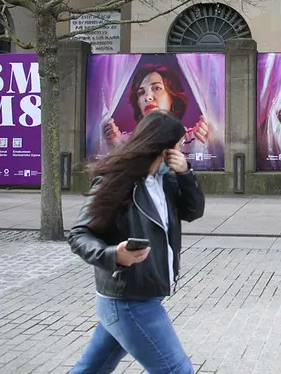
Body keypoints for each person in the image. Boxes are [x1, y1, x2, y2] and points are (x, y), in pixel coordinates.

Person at [68, 110, 205, 374]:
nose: (181, 152)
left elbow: (193, 211)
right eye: (178, 146)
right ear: (163, 149)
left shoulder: (164, 181)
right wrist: (113, 255)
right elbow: (78, 234)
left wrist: (186, 173)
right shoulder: (116, 181)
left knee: (92, 369)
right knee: (178, 370)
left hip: (139, 297)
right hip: (129, 300)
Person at [104, 64, 212, 147]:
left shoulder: (194, 137)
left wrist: (209, 139)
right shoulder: (125, 142)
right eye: (141, 92)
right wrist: (115, 145)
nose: (147, 97)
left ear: (172, 97)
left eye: (156, 88)